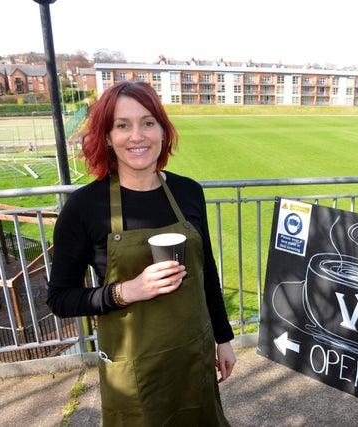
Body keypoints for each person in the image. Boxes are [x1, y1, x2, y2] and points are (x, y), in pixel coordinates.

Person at [47, 81, 236, 426]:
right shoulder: (85, 207)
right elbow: (60, 298)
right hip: (134, 373)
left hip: (192, 358)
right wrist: (126, 291)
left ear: (163, 132)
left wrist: (223, 339)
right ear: (106, 137)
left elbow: (206, 272)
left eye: (148, 122)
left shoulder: (187, 192)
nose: (137, 136)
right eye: (123, 125)